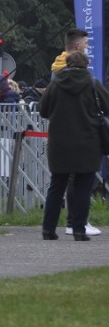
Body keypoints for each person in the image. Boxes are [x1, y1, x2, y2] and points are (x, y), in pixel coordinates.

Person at [40, 51, 108, 240]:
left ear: (68, 64)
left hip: (59, 144)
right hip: (88, 144)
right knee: (83, 188)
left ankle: (48, 229)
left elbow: (43, 111)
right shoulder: (92, 83)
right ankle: (79, 229)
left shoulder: (55, 84)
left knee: (57, 186)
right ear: (86, 64)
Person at [50, 29, 101, 236]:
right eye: (86, 44)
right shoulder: (86, 78)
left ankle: (50, 228)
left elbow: (47, 106)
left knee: (60, 181)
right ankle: (77, 222)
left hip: (59, 134)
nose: (88, 47)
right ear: (78, 47)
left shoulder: (55, 70)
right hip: (83, 133)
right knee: (81, 180)